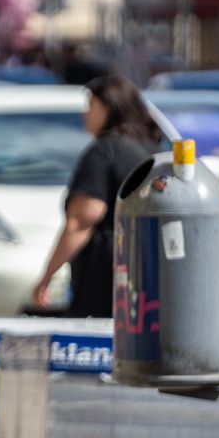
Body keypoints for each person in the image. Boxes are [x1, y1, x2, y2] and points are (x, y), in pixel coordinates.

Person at [32, 75, 163, 317]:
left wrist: (46, 277)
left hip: (105, 280)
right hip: (147, 278)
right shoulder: (150, 148)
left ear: (109, 108)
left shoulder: (104, 152)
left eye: (91, 105)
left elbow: (82, 219)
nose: (84, 113)